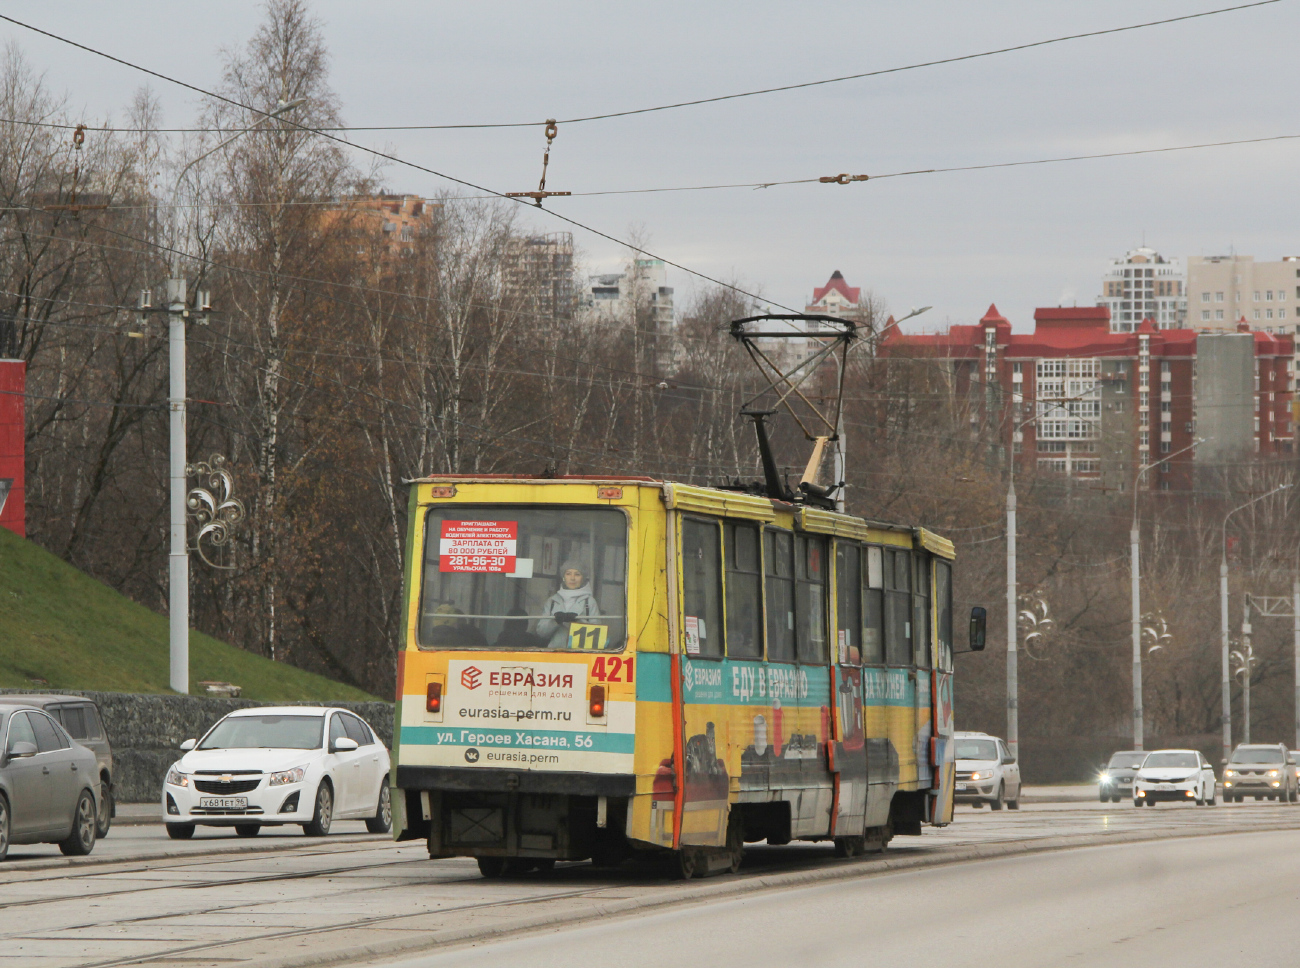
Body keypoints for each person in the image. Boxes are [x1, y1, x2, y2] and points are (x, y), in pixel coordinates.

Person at [536, 559, 600, 648]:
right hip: (555, 653)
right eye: (568, 574)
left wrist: (578, 621)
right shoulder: (552, 601)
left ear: (583, 578)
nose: (572, 578)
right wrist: (555, 621)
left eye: (577, 574)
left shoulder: (589, 601)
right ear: (563, 577)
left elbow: (597, 633)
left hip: (581, 654)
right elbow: (541, 633)